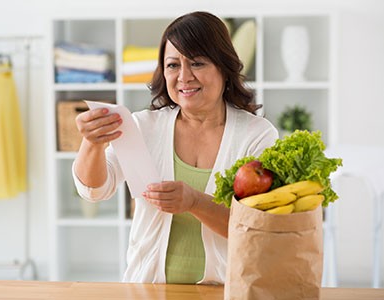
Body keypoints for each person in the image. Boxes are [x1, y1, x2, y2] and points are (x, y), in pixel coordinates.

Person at [73, 11, 278, 285]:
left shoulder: (256, 135)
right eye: (172, 65)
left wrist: (194, 202)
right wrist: (91, 143)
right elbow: (95, 190)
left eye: (197, 63)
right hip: (146, 288)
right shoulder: (142, 127)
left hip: (228, 289)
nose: (184, 76)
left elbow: (256, 227)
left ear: (224, 68)